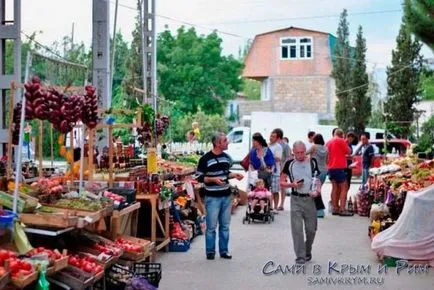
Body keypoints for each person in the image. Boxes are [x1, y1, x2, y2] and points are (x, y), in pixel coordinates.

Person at [196, 132, 244, 260]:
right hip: (212, 197)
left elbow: (225, 173)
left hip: (226, 196)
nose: (227, 142)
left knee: (225, 226)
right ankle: (210, 252)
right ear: (217, 143)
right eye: (225, 141)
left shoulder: (226, 158)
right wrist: (213, 180)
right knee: (211, 227)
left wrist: (234, 175)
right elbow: (199, 177)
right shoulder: (205, 159)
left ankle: (224, 251)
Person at [280, 141, 321, 264]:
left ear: (305, 151)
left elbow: (317, 179)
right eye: (297, 152)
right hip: (296, 199)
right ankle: (300, 256)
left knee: (311, 230)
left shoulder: (312, 162)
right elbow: (281, 182)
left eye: (302, 152)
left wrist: (318, 190)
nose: (300, 155)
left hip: (310, 199)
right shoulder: (289, 164)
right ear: (293, 152)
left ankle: (307, 250)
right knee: (297, 229)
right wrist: (292, 184)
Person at [326, 129, 352, 216]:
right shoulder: (341, 140)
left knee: (334, 188)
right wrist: (345, 142)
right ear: (342, 135)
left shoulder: (328, 142)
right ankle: (342, 209)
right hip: (339, 167)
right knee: (344, 187)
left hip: (330, 167)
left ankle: (335, 208)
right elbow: (348, 151)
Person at [272, 128, 291, 210]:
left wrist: (284, 168)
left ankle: (282, 204)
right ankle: (272, 203)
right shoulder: (273, 144)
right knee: (273, 187)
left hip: (283, 169)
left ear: (278, 137)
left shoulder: (285, 145)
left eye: (274, 135)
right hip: (274, 169)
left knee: (282, 187)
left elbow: (288, 157)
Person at [309, 134, 328, 218]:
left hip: (315, 171)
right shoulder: (326, 148)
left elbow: (304, 153)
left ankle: (319, 211)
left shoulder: (314, 147)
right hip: (324, 171)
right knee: (317, 190)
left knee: (314, 191)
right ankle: (316, 210)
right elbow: (327, 160)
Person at [269, 130, 283, 212]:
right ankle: (269, 206)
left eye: (273, 137)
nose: (271, 138)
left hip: (275, 172)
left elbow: (278, 158)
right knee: (268, 191)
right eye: (271, 136)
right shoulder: (267, 145)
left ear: (277, 138)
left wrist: (268, 157)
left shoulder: (278, 147)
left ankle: (275, 207)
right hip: (266, 171)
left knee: (275, 191)